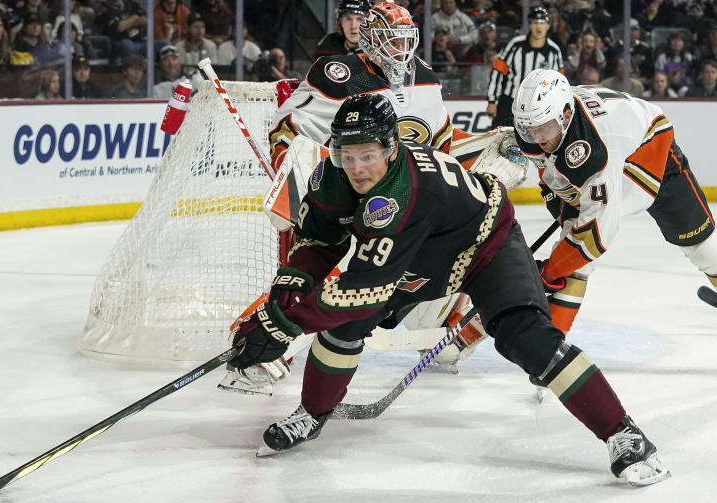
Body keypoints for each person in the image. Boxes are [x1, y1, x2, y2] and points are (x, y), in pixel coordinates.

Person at [230, 93, 670, 487]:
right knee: (344, 327)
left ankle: (623, 432)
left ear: (390, 148)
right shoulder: (332, 176)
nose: (357, 168)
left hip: (485, 245)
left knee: (528, 338)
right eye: (348, 154)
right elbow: (319, 240)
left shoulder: (401, 192)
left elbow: (365, 289)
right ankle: (312, 412)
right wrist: (289, 292)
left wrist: (282, 325)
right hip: (417, 258)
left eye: (368, 155)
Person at [222, 1, 525, 395]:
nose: (400, 50)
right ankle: (269, 348)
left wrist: (489, 145)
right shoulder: (338, 74)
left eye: (405, 41)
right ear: (370, 37)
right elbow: (287, 131)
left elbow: (442, 145)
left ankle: (448, 329)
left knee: (443, 259)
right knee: (323, 273)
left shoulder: (426, 77)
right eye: (391, 40)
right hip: (349, 198)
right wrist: (308, 180)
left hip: (403, 206)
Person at [511, 69, 717, 358]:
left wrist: (550, 271)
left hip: (647, 152)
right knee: (570, 252)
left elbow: (598, 236)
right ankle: (550, 350)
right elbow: (548, 166)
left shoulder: (595, 147)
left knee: (705, 245)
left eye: (544, 128)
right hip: (598, 160)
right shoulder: (545, 124)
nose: (537, 137)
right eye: (530, 128)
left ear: (566, 115)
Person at [486, 5, 563, 128]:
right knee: (499, 139)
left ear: (548, 26)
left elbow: (559, 83)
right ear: (530, 25)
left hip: (538, 106)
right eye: (535, 23)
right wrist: (491, 101)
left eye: (542, 23)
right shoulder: (515, 45)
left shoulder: (554, 51)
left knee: (533, 144)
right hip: (509, 102)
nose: (539, 27)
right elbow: (498, 71)